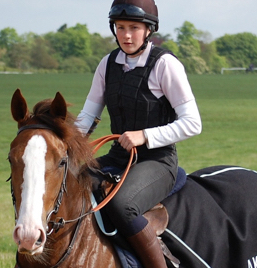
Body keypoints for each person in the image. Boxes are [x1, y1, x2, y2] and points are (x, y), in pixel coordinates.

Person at [76, 0, 202, 267]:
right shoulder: (107, 64)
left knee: (123, 205)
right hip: (117, 157)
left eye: (134, 27)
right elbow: (87, 116)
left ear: (149, 30)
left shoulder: (165, 64)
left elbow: (193, 123)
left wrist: (144, 135)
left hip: (157, 161)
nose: (126, 35)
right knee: (69, 185)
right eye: (120, 27)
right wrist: (65, 147)